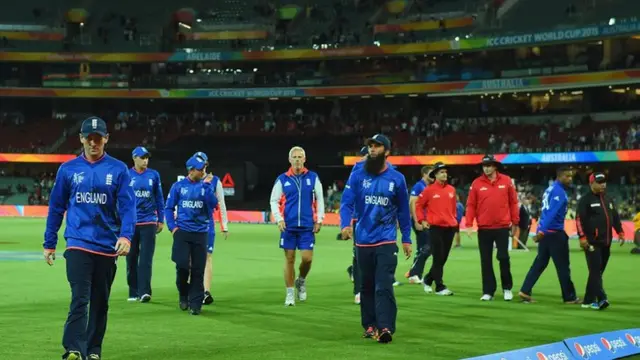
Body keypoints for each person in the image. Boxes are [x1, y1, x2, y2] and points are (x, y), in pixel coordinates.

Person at [44, 116, 136, 360]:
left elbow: (128, 207)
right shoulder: (68, 169)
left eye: (98, 138)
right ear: (81, 139)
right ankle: (73, 348)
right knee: (79, 298)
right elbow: (56, 207)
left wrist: (126, 236)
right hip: (77, 243)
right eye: (89, 138)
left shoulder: (118, 170)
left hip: (107, 246)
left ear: (106, 139)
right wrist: (49, 242)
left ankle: (94, 350)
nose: (93, 143)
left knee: (100, 303)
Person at [339, 134, 412, 344]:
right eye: (370, 146)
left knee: (384, 284)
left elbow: (404, 212)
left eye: (377, 146)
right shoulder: (357, 174)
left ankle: (385, 327)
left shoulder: (397, 179)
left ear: (386, 152)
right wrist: (345, 224)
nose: (372, 149)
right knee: (367, 285)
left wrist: (406, 238)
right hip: (362, 239)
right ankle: (369, 325)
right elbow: (346, 202)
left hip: (386, 239)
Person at [269, 146, 325, 306]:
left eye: (300, 157)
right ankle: (289, 293)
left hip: (307, 226)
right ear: (289, 160)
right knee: (289, 259)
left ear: (305, 159)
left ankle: (301, 280)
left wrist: (319, 219)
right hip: (288, 226)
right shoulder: (282, 179)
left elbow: (320, 199)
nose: (297, 159)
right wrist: (279, 219)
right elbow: (274, 200)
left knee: (307, 259)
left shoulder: (313, 177)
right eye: (294, 157)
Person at [164, 154, 218, 315]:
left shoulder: (206, 186)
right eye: (200, 170)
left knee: (198, 269)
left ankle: (195, 304)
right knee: (182, 267)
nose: (203, 172)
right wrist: (173, 228)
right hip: (182, 233)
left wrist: (208, 187)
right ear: (191, 170)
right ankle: (183, 293)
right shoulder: (178, 186)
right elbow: (168, 208)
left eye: (204, 169)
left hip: (201, 233)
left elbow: (214, 204)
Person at [518, 167, 579, 304]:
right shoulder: (559, 192)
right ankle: (569, 297)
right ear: (560, 176)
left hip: (546, 234)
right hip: (554, 234)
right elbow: (551, 213)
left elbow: (544, 212)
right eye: (567, 176)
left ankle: (525, 290)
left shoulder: (549, 189)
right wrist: (541, 231)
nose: (570, 179)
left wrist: (541, 229)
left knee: (539, 263)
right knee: (563, 266)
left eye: (571, 176)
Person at [465, 155, 519, 301]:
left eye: (489, 165)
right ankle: (488, 291)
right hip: (484, 228)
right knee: (486, 260)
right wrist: (469, 224)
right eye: (484, 165)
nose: (486, 168)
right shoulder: (476, 183)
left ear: (495, 166)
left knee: (503, 257)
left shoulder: (506, 181)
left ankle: (507, 288)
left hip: (502, 227)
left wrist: (515, 222)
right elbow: (471, 205)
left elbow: (513, 202)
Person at [576, 172, 624, 310]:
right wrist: (582, 237)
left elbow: (614, 217)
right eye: (600, 182)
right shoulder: (586, 200)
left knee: (597, 272)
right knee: (596, 271)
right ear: (592, 183)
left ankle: (587, 300)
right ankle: (602, 299)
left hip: (606, 242)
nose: (603, 184)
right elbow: (579, 219)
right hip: (592, 242)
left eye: (604, 182)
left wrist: (620, 231)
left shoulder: (608, 199)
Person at [126, 146, 165, 303]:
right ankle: (133, 291)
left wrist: (160, 219)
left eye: (147, 158)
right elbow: (121, 200)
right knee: (131, 259)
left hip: (149, 221)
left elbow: (159, 198)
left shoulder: (153, 175)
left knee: (146, 259)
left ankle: (144, 292)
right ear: (134, 158)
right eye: (142, 158)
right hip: (131, 223)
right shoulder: (127, 175)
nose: (145, 161)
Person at [191, 152, 229, 306]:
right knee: (190, 260)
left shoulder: (215, 181)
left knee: (207, 257)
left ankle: (206, 291)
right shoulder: (189, 180)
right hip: (190, 225)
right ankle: (192, 290)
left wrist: (224, 225)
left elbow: (221, 203)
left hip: (207, 225)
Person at [415, 162, 457, 296]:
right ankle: (440, 286)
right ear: (435, 175)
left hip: (449, 227)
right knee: (438, 257)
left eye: (445, 172)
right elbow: (419, 205)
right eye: (441, 172)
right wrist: (422, 220)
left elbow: (453, 208)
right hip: (435, 228)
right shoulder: (428, 190)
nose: (444, 174)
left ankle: (427, 279)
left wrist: (454, 220)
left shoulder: (451, 189)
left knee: (443, 258)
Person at [405, 166, 433, 284]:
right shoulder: (419, 186)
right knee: (428, 247)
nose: (433, 176)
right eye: (431, 173)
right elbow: (412, 202)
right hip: (420, 221)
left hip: (426, 221)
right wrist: (416, 221)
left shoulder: (428, 187)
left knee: (422, 248)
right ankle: (414, 272)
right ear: (424, 174)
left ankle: (414, 274)